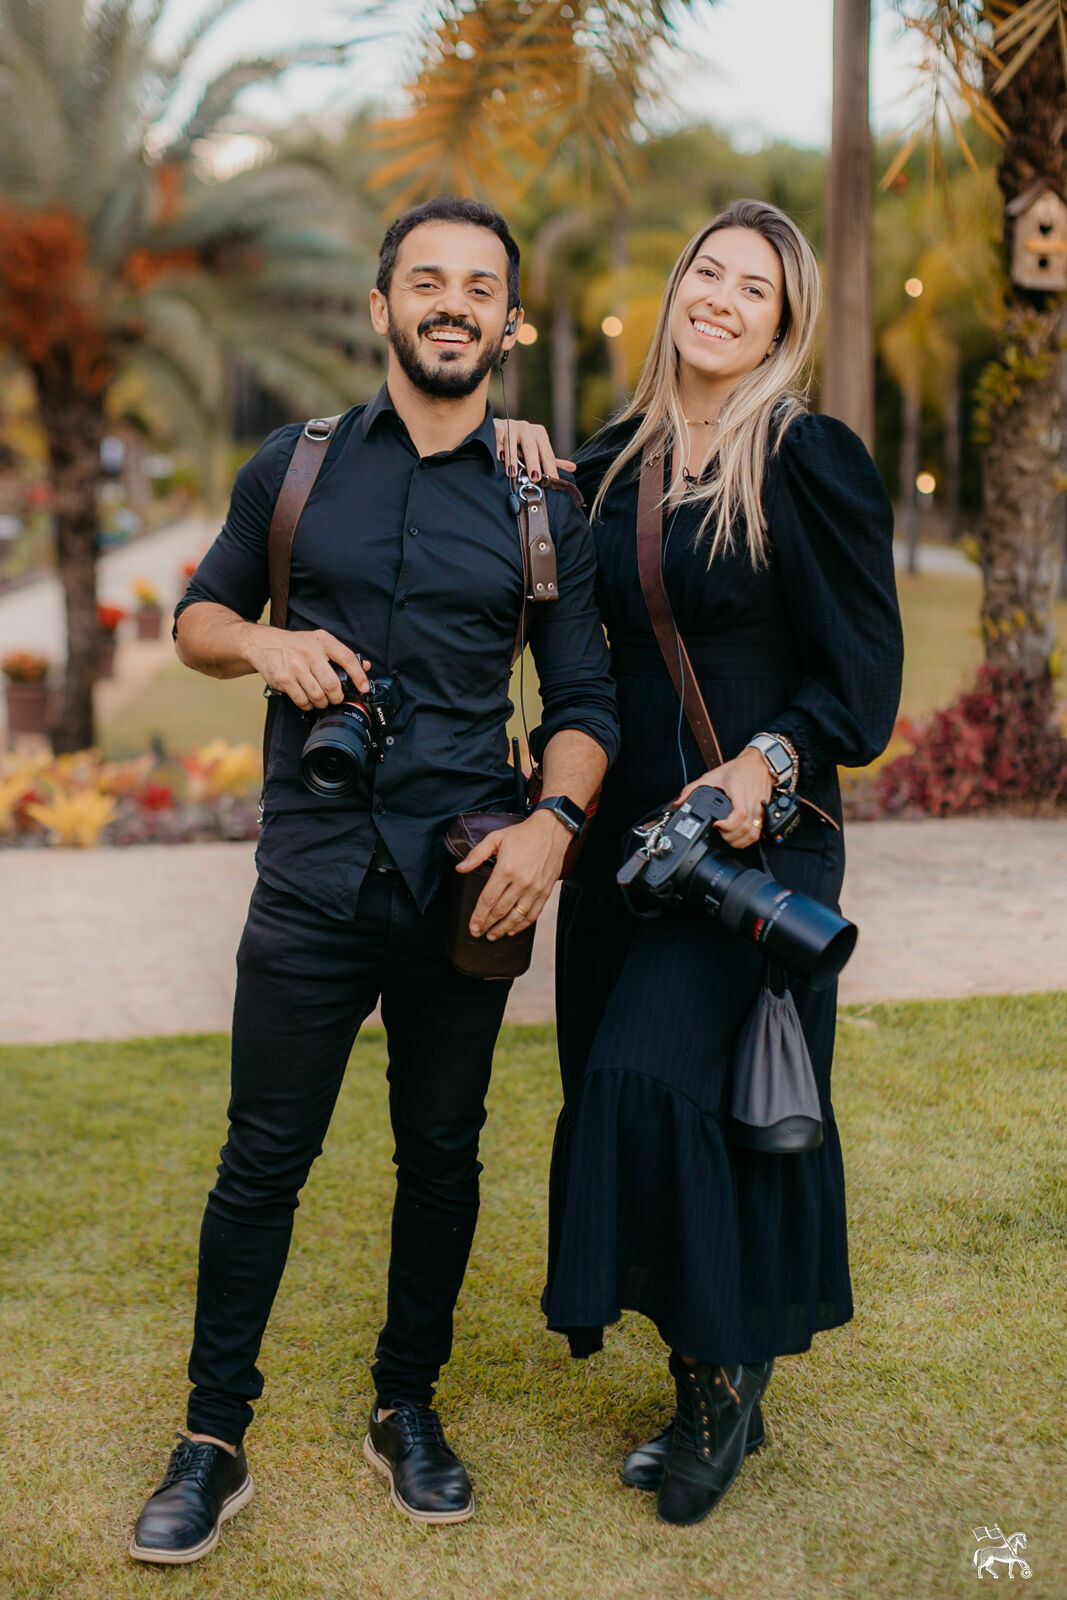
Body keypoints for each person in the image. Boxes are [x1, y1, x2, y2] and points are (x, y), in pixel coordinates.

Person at [128, 195, 618, 1562]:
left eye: (479, 286)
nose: (451, 302)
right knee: (259, 1165)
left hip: (474, 878)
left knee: (444, 1159)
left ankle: (406, 1407)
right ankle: (212, 1437)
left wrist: (553, 827)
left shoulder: (542, 501)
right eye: (427, 280)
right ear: (381, 306)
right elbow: (197, 615)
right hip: (313, 873)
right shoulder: (293, 466)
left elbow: (585, 699)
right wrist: (266, 652)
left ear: (507, 320)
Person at [497, 198, 903, 1526]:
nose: (722, 301)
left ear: (784, 325)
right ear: (677, 288)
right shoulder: (614, 462)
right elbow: (570, 626)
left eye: (757, 290)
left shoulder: (807, 457)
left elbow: (863, 682)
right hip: (632, 850)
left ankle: (729, 1382)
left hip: (752, 846)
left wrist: (763, 770)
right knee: (654, 1094)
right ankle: (698, 1376)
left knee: (650, 1079)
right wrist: (515, 448)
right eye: (708, 274)